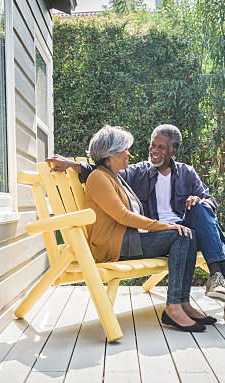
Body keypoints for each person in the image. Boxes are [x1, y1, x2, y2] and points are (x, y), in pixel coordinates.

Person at [47, 124, 225, 328]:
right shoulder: (133, 173)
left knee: (202, 211)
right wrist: (73, 165)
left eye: (161, 147)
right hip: (145, 235)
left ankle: (194, 294)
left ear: (174, 150)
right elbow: (104, 178)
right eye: (152, 145)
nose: (153, 151)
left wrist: (199, 202)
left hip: (174, 228)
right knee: (188, 234)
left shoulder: (186, 173)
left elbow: (210, 201)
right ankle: (221, 297)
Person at [83, 125, 216, 332]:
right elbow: (123, 216)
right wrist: (164, 227)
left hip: (127, 241)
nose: (129, 154)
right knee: (180, 236)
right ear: (110, 154)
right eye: (125, 150)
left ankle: (182, 302)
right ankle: (173, 306)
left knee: (188, 234)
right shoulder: (100, 178)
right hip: (114, 248)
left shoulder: (115, 177)